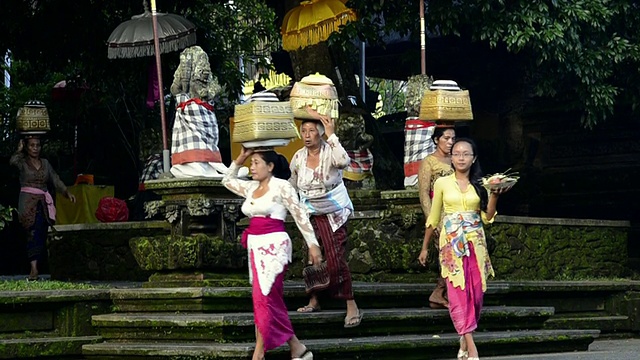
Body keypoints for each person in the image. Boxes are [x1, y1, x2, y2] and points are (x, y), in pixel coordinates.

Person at [222, 147, 321, 360]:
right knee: (265, 300)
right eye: (252, 162)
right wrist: (241, 157)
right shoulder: (250, 187)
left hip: (274, 246)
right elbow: (227, 180)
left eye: (257, 162)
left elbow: (299, 215)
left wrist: (313, 245)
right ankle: (297, 347)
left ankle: (259, 353)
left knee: (265, 298)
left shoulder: (282, 186)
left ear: (270, 166)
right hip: (255, 247)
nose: (252, 166)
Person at [418, 138, 511, 360]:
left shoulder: (481, 184)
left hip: (476, 243)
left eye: (466, 154)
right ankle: (472, 347)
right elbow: (433, 217)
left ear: (474, 158)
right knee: (458, 294)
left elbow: (487, 218)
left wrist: (494, 196)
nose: (460, 157)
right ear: (451, 157)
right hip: (451, 245)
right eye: (457, 153)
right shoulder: (442, 184)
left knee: (477, 294)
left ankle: (464, 335)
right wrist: (424, 248)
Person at [289, 114, 363, 328]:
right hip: (310, 212)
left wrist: (332, 135)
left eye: (312, 131)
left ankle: (351, 303)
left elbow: (344, 162)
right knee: (311, 258)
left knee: (335, 257)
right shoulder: (298, 157)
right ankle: (314, 299)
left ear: (320, 132)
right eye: (304, 131)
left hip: (334, 212)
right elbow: (293, 183)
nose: (307, 135)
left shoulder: (331, 150)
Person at [10, 137, 76, 281]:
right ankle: (33, 269)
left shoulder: (45, 163)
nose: (35, 148)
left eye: (37, 145)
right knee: (31, 232)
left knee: (41, 232)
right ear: (27, 147)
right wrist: (19, 149)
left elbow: (55, 179)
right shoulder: (23, 162)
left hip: (43, 203)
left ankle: (39, 266)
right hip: (28, 202)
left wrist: (66, 192)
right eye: (32, 145)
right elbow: (13, 162)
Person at [417, 126, 456, 308]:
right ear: (436, 140)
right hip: (439, 213)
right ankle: (441, 291)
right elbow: (424, 193)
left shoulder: (457, 160)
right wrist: (431, 218)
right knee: (446, 254)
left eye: (452, 139)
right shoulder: (429, 162)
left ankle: (441, 292)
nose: (450, 142)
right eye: (446, 138)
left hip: (457, 211)